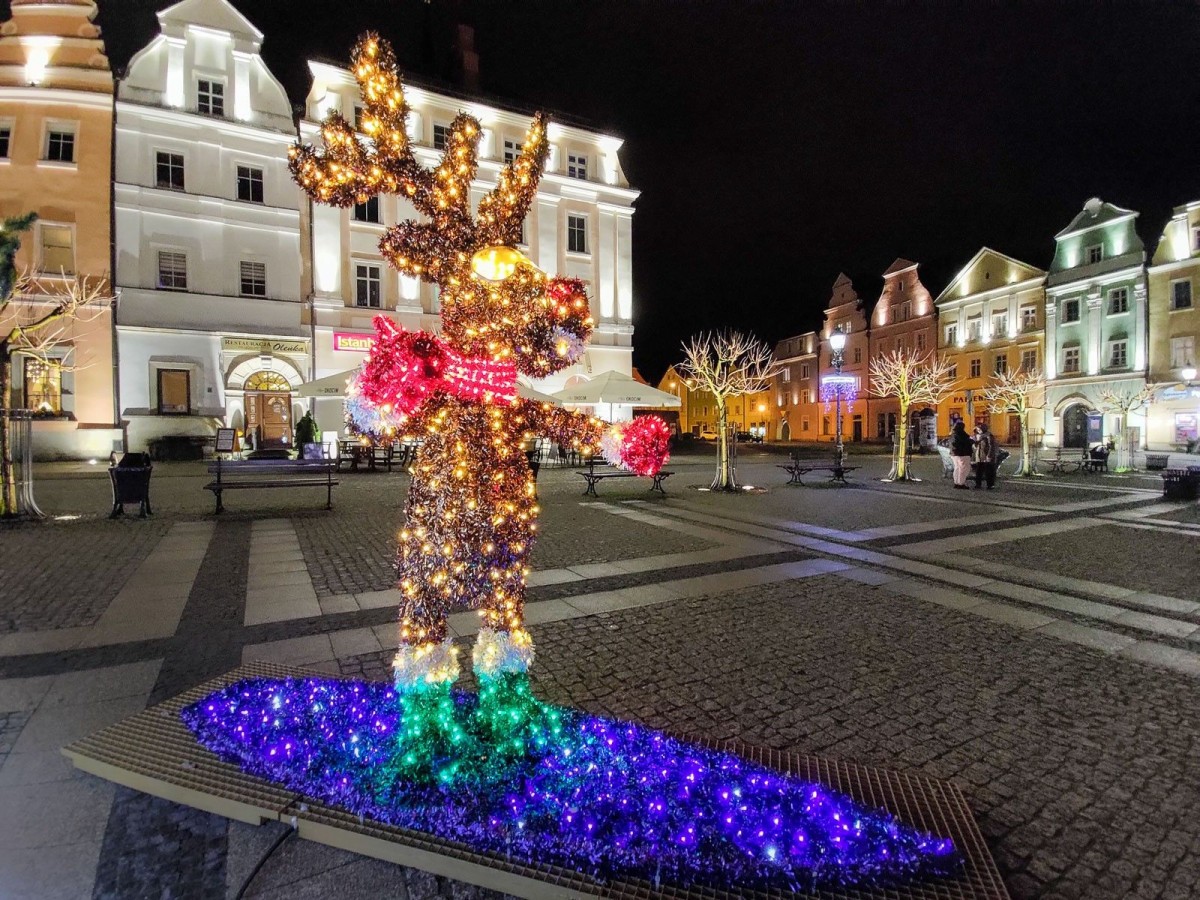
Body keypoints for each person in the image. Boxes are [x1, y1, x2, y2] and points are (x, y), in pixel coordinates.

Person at [974, 423, 999, 489]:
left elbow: (992, 446)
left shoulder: (989, 436)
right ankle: (978, 484)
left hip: (986, 456)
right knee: (979, 471)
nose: (978, 430)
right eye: (977, 429)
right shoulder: (978, 436)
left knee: (989, 471)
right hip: (979, 456)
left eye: (979, 429)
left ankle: (990, 485)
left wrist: (989, 455)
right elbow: (975, 446)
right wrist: (976, 441)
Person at [949, 421, 973, 488]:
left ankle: (956, 482)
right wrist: (971, 441)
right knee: (964, 469)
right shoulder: (961, 434)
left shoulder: (953, 434)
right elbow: (965, 442)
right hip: (962, 453)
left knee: (957, 468)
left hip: (954, 454)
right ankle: (961, 483)